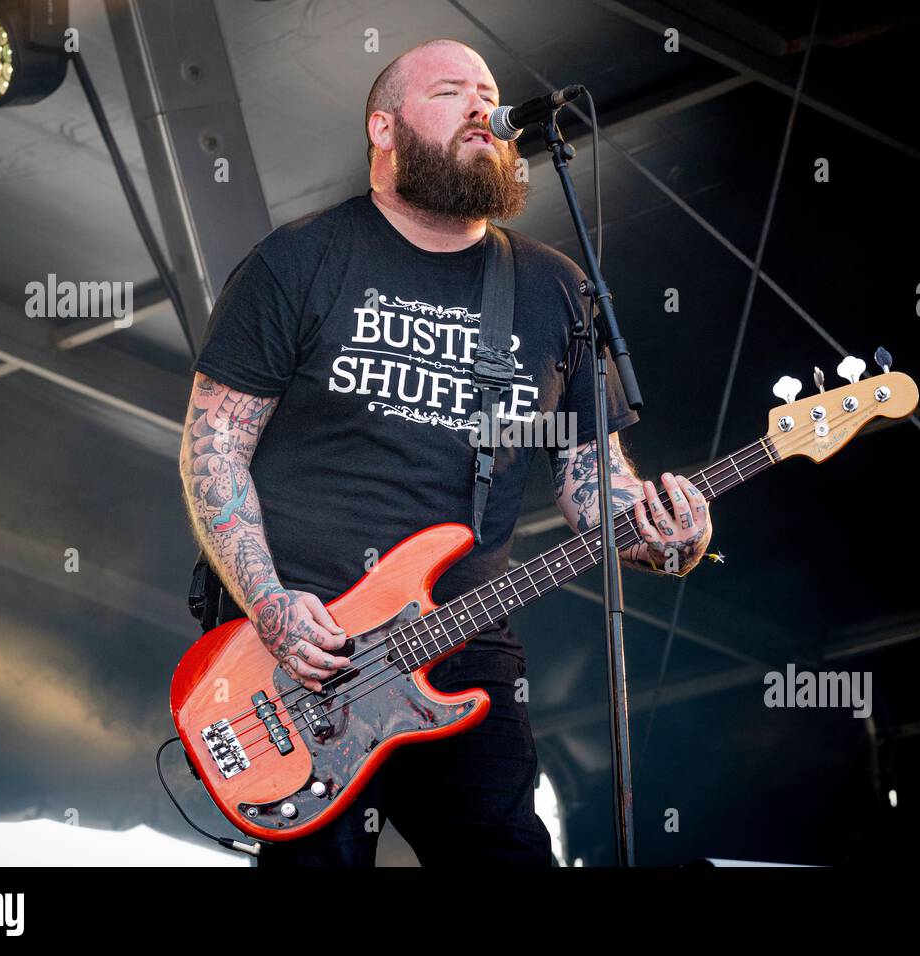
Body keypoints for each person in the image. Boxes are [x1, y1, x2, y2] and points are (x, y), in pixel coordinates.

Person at [178, 37, 713, 867]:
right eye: (451, 90)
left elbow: (588, 478)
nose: (481, 107)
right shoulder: (300, 261)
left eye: (489, 92)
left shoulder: (551, 288)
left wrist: (661, 530)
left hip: (463, 649)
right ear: (383, 130)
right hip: (299, 657)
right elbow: (212, 453)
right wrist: (271, 604)